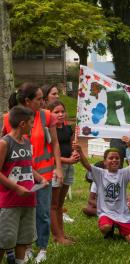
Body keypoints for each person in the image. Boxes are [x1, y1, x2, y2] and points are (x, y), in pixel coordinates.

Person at [3, 83, 63, 263]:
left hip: (41, 176)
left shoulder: (47, 116)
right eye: (39, 99)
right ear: (27, 101)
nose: (43, 102)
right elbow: (5, 145)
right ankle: (24, 248)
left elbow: (54, 144)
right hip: (17, 179)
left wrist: (58, 167)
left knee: (42, 213)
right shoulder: (9, 118)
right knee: (18, 215)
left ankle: (42, 248)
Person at [0, 106, 48, 264]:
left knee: (23, 240)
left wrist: (40, 179)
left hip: (28, 201)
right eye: (31, 123)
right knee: (4, 240)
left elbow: (27, 167)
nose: (33, 126)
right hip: (9, 202)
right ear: (22, 124)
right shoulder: (4, 143)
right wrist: (16, 188)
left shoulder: (27, 142)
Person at [75, 136, 130, 242]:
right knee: (105, 227)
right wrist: (80, 151)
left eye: (117, 158)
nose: (114, 160)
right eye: (111, 158)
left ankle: (121, 231)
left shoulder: (123, 173)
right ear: (104, 162)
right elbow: (86, 165)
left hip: (122, 214)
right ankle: (110, 229)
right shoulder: (100, 174)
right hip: (106, 213)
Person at [47, 101, 80, 244]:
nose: (60, 114)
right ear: (50, 113)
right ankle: (57, 236)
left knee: (60, 204)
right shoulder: (49, 129)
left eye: (62, 111)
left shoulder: (68, 128)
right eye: (56, 112)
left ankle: (61, 234)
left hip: (68, 168)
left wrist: (75, 153)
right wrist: (67, 160)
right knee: (53, 205)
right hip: (56, 168)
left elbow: (72, 145)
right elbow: (50, 154)